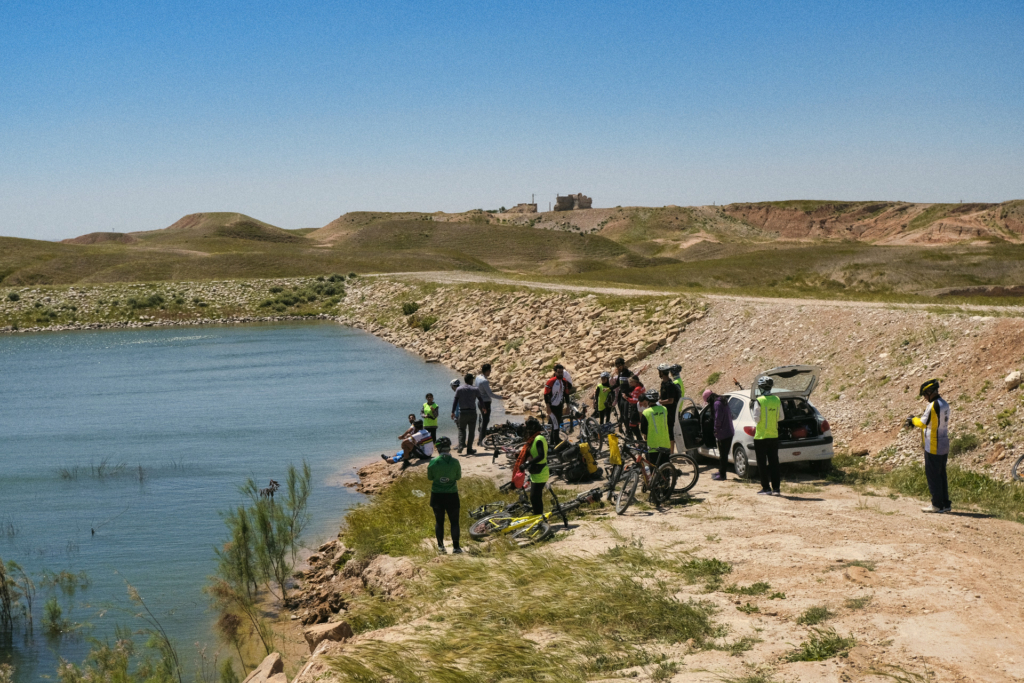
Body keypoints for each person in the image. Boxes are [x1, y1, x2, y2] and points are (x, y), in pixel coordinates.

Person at [907, 379, 951, 513]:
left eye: (925, 395)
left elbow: (922, 423)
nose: (925, 398)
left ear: (930, 392)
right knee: (941, 474)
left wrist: (912, 419)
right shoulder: (944, 403)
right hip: (944, 442)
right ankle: (945, 503)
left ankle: (936, 505)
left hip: (933, 444)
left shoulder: (933, 405)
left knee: (933, 475)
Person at [426, 437, 462, 554]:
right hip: (452, 494)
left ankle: (441, 547)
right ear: (449, 448)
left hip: (437, 495)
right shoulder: (455, 462)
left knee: (439, 522)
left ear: (438, 448)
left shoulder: (433, 462)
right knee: (454, 522)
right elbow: (458, 477)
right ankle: (456, 547)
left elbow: (430, 477)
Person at [751, 376, 784, 495]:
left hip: (760, 437)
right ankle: (776, 488)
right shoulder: (777, 399)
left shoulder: (759, 401)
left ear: (760, 388)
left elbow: (756, 418)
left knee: (762, 464)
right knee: (774, 463)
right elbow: (781, 417)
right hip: (773, 435)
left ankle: (766, 488)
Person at [521, 417, 549, 514]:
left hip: (541, 472)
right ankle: (538, 516)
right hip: (536, 472)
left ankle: (539, 518)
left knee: (534, 497)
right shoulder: (535, 438)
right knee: (535, 497)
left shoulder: (539, 439)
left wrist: (527, 463)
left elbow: (541, 456)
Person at [705, 389, 734, 481]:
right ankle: (721, 471)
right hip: (729, 431)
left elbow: (718, 419)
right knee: (723, 454)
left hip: (723, 432)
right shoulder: (723, 401)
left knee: (723, 455)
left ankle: (722, 475)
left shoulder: (717, 404)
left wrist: (715, 430)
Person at [452, 373, 484, 454]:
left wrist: (452, 412)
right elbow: (480, 399)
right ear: (470, 380)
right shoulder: (475, 389)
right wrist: (484, 408)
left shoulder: (459, 389)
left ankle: (461, 445)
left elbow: (455, 401)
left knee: (461, 429)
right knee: (471, 431)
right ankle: (469, 449)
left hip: (462, 412)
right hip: (472, 412)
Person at [639, 390, 671, 468]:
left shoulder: (646, 412)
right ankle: (666, 480)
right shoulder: (664, 409)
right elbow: (669, 422)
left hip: (653, 444)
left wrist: (645, 435)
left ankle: (657, 480)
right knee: (665, 466)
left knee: (654, 467)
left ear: (648, 400)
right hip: (665, 442)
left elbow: (643, 429)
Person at [474, 363, 504, 445]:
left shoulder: (477, 377)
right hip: (485, 403)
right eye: (490, 371)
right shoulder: (484, 381)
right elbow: (490, 394)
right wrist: (502, 397)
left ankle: (480, 439)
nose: (490, 372)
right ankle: (481, 441)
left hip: (479, 402)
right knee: (485, 421)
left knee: (484, 420)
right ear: (487, 371)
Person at [543, 364, 573, 445]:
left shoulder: (564, 382)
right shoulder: (551, 381)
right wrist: (548, 407)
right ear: (555, 372)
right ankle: (556, 442)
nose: (560, 374)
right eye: (558, 372)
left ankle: (553, 442)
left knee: (557, 425)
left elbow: (566, 395)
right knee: (555, 425)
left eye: (561, 372)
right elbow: (546, 394)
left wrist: (568, 406)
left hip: (560, 406)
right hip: (552, 407)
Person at [658, 364, 682, 452]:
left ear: (662, 372)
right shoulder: (663, 383)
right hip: (665, 411)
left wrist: (659, 402)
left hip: (671, 412)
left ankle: (671, 453)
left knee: (671, 432)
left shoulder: (669, 385)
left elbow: (670, 400)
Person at [611, 357, 633, 428]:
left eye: (619, 365)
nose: (618, 367)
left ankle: (629, 431)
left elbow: (635, 383)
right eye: (617, 366)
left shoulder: (629, 373)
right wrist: (609, 389)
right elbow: (617, 384)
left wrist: (630, 393)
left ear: (623, 364)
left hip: (628, 397)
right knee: (622, 415)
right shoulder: (620, 374)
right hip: (621, 397)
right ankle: (626, 430)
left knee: (627, 416)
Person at [625, 375, 646, 442]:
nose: (630, 384)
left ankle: (640, 440)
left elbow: (634, 400)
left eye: (630, 382)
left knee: (633, 425)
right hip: (640, 406)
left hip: (636, 408)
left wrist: (626, 397)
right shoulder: (641, 387)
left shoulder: (637, 388)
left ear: (634, 382)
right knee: (636, 424)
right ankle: (640, 440)